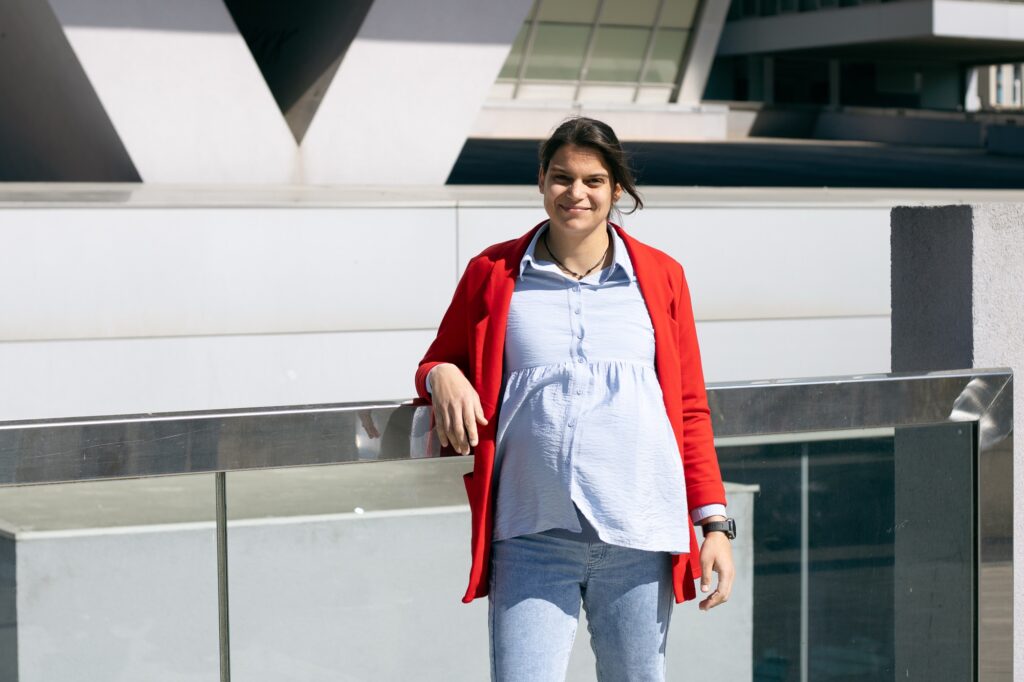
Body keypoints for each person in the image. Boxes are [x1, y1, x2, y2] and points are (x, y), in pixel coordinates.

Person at [415, 117, 734, 681]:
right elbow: (437, 360)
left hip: (640, 534)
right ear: (541, 180)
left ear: (617, 189)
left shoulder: (661, 277)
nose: (576, 193)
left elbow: (688, 408)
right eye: (562, 177)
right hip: (530, 534)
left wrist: (713, 525)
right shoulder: (492, 273)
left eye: (593, 180)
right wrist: (441, 373)